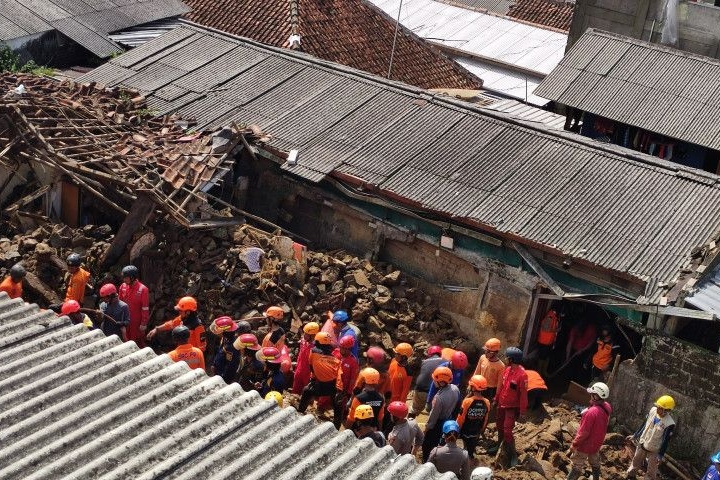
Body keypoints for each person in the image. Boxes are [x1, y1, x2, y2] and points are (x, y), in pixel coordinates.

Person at [566, 382, 611, 480]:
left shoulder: (591, 413)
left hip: (585, 445)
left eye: (592, 394)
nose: (590, 396)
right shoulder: (607, 406)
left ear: (596, 396)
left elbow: (584, 433)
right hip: (597, 443)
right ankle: (595, 478)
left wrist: (574, 445)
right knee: (595, 462)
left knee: (577, 465)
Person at [626, 395, 676, 480]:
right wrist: (635, 435)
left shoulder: (669, 423)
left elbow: (665, 441)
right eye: (658, 407)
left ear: (666, 411)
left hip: (654, 449)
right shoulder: (653, 411)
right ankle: (630, 476)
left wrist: (660, 455)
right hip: (643, 442)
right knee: (635, 461)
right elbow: (645, 424)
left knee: (651, 470)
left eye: (660, 408)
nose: (657, 409)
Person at [495, 346, 527, 468]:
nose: (505, 359)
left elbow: (523, 395)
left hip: (511, 407)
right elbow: (502, 386)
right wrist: (496, 398)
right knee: (499, 424)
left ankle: (513, 455)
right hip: (501, 403)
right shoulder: (507, 370)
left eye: (507, 357)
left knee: (507, 429)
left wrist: (523, 412)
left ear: (512, 359)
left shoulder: (522, 375)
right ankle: (499, 444)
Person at [422, 366, 462, 461]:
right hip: (449, 419)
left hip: (437, 423)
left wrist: (427, 428)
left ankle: (427, 460)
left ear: (440, 381)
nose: (433, 382)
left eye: (434, 380)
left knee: (428, 445)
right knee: (443, 442)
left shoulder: (438, 398)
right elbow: (457, 406)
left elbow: (433, 417)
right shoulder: (455, 389)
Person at [298, 332, 340, 414]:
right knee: (337, 404)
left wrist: (312, 380)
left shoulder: (313, 352)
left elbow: (312, 368)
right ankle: (337, 423)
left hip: (320, 385)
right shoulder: (335, 359)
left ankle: (300, 411)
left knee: (306, 391)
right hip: (333, 386)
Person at [457, 375, 491, 459]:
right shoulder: (487, 402)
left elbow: (461, 417)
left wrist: (457, 428)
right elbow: (485, 418)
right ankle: (470, 458)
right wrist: (481, 429)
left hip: (465, 431)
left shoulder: (467, 401)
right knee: (471, 449)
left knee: (464, 449)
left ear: (473, 387)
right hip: (476, 431)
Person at [118, 265, 150, 347]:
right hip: (125, 321)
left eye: (126, 277)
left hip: (137, 323)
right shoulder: (123, 286)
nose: (124, 280)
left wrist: (143, 324)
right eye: (123, 277)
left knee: (138, 343)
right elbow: (119, 303)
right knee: (125, 342)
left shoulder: (143, 289)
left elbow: (145, 309)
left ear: (132, 277)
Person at [410, 345, 445, 418]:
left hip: (420, 388)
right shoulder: (445, 361)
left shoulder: (424, 361)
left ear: (430, 354)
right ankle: (429, 427)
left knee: (414, 409)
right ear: (440, 353)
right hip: (433, 391)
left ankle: (409, 422)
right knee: (432, 411)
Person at [334, 335, 359, 429]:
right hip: (333, 383)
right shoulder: (336, 353)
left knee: (340, 406)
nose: (341, 350)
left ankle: (338, 422)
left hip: (343, 389)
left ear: (349, 349)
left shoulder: (353, 362)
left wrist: (348, 393)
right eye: (340, 347)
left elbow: (353, 379)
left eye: (343, 348)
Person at [211, 317, 241, 383]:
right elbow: (219, 352)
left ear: (225, 332)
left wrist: (222, 378)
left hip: (223, 377)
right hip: (218, 371)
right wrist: (214, 364)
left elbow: (231, 366)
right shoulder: (225, 339)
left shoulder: (232, 347)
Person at [292, 322, 319, 394]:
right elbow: (300, 355)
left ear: (313, 335)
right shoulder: (303, 342)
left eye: (306, 334)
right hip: (299, 370)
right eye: (304, 333)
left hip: (308, 373)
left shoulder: (316, 348)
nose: (304, 335)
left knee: (306, 394)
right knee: (295, 390)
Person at [536, 306, 559, 376]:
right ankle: (539, 373)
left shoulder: (554, 317)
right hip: (544, 342)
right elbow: (546, 328)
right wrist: (556, 330)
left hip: (549, 342)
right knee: (542, 357)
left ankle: (544, 371)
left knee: (547, 357)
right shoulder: (550, 317)